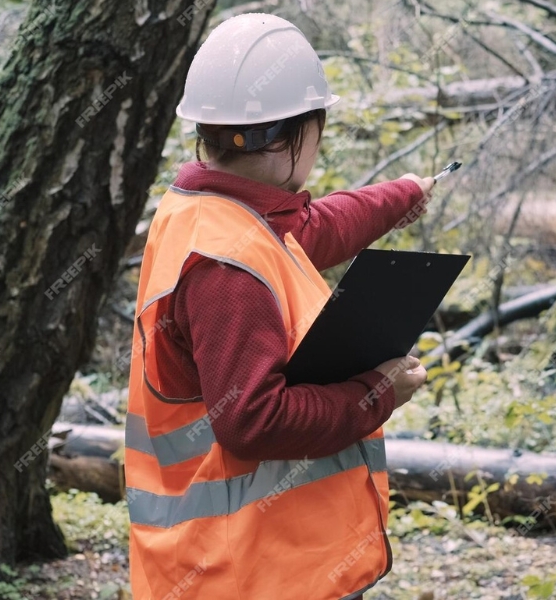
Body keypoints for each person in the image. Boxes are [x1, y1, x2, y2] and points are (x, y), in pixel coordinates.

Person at [124, 12, 434, 600]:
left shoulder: (208, 208)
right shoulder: (225, 266)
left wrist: (401, 196)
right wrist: (378, 393)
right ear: (296, 133)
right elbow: (253, 421)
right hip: (246, 572)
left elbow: (311, 227)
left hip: (260, 562)